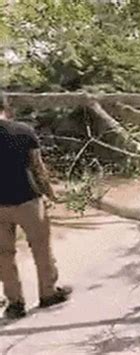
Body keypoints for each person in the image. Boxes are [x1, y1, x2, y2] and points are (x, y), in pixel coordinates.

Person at [0, 105, 71, 320]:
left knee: (4, 255)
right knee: (40, 247)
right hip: (28, 200)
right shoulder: (24, 131)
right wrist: (50, 194)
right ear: (6, 108)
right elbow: (38, 168)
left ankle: (15, 303)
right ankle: (47, 293)